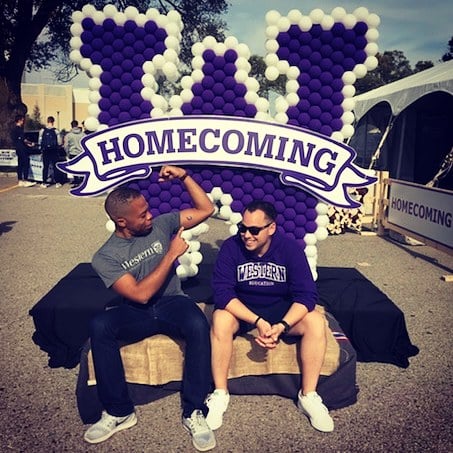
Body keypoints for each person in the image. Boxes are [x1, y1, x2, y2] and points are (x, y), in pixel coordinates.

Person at [86, 166, 216, 451]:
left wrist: (184, 177)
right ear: (122, 222)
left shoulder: (162, 224)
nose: (149, 217)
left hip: (172, 301)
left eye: (148, 210)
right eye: (142, 215)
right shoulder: (105, 257)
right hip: (137, 310)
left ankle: (194, 410)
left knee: (198, 323)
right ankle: (120, 411)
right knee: (99, 325)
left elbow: (206, 209)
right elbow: (140, 295)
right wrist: (171, 254)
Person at [207, 200, 334, 434]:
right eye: (243, 228)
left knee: (316, 321)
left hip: (280, 309)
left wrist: (283, 325)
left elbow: (307, 295)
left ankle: (308, 395)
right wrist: (257, 321)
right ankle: (220, 393)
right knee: (220, 318)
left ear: (271, 228)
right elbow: (222, 293)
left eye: (254, 230)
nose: (247, 235)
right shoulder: (231, 247)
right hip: (244, 310)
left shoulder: (290, 249)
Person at [11, 114, 36, 187]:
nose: (23, 121)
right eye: (22, 120)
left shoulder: (13, 130)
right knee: (26, 163)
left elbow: (19, 140)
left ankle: (20, 180)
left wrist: (28, 144)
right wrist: (31, 143)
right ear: (19, 120)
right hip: (22, 149)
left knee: (20, 164)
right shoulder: (19, 129)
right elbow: (24, 140)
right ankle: (25, 180)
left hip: (18, 148)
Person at [39, 116, 64, 188]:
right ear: (53, 122)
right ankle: (57, 182)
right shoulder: (56, 131)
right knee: (55, 166)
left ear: (47, 121)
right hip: (54, 150)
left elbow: (40, 141)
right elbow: (59, 142)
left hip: (45, 150)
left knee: (45, 166)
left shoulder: (42, 130)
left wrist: (41, 148)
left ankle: (44, 182)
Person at [63, 119, 84, 187]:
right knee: (81, 167)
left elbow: (66, 145)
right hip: (81, 153)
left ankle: (76, 181)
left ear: (71, 126)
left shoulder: (68, 135)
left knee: (74, 167)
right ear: (77, 125)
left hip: (73, 153)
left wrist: (67, 153)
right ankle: (82, 180)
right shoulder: (83, 134)